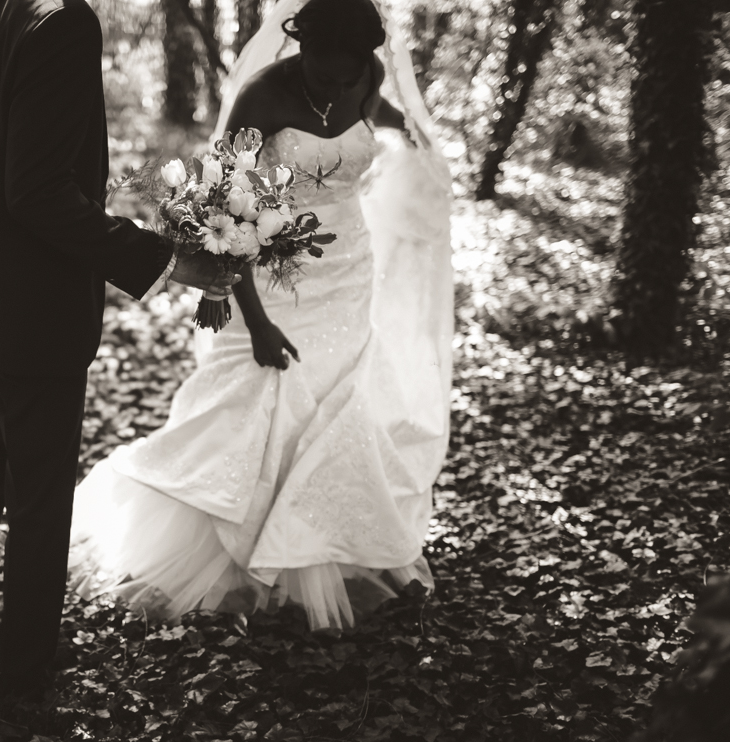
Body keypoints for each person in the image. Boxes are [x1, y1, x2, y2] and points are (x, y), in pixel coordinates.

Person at [0, 0, 237, 698]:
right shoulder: (63, 21)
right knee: (41, 493)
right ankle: (24, 671)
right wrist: (166, 260)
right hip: (25, 307)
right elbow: (38, 192)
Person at [69, 0, 454, 630]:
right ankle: (245, 558)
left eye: (344, 76)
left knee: (337, 398)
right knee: (261, 394)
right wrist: (256, 322)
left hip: (349, 266)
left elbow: (371, 112)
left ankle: (323, 542)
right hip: (273, 276)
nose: (332, 88)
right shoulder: (261, 97)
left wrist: (408, 136)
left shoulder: (366, 76)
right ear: (298, 46)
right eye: (319, 75)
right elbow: (227, 218)